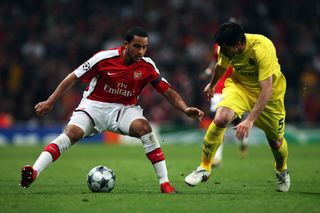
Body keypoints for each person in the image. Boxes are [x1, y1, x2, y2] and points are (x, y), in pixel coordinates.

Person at [20, 26, 204, 194]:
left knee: (145, 129)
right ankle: (34, 171)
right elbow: (74, 76)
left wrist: (185, 108)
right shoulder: (104, 58)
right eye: (137, 46)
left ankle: (165, 183)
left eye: (144, 47)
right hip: (94, 106)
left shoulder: (147, 66)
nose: (141, 51)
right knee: (72, 133)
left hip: (124, 109)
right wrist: (50, 101)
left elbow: (167, 91)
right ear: (126, 45)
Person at [185, 22, 290, 192]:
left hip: (269, 96)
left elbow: (267, 90)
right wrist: (212, 85)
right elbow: (221, 66)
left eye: (226, 48)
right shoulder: (225, 48)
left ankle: (282, 170)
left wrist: (249, 120)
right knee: (221, 118)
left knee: (276, 142)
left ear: (239, 43)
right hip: (240, 87)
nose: (222, 51)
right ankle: (204, 167)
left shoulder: (262, 48)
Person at [203, 43, 248, 167]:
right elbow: (214, 61)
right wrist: (208, 71)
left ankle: (244, 141)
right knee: (218, 123)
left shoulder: (242, 47)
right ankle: (217, 157)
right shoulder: (218, 46)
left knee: (236, 122)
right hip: (218, 90)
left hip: (233, 90)